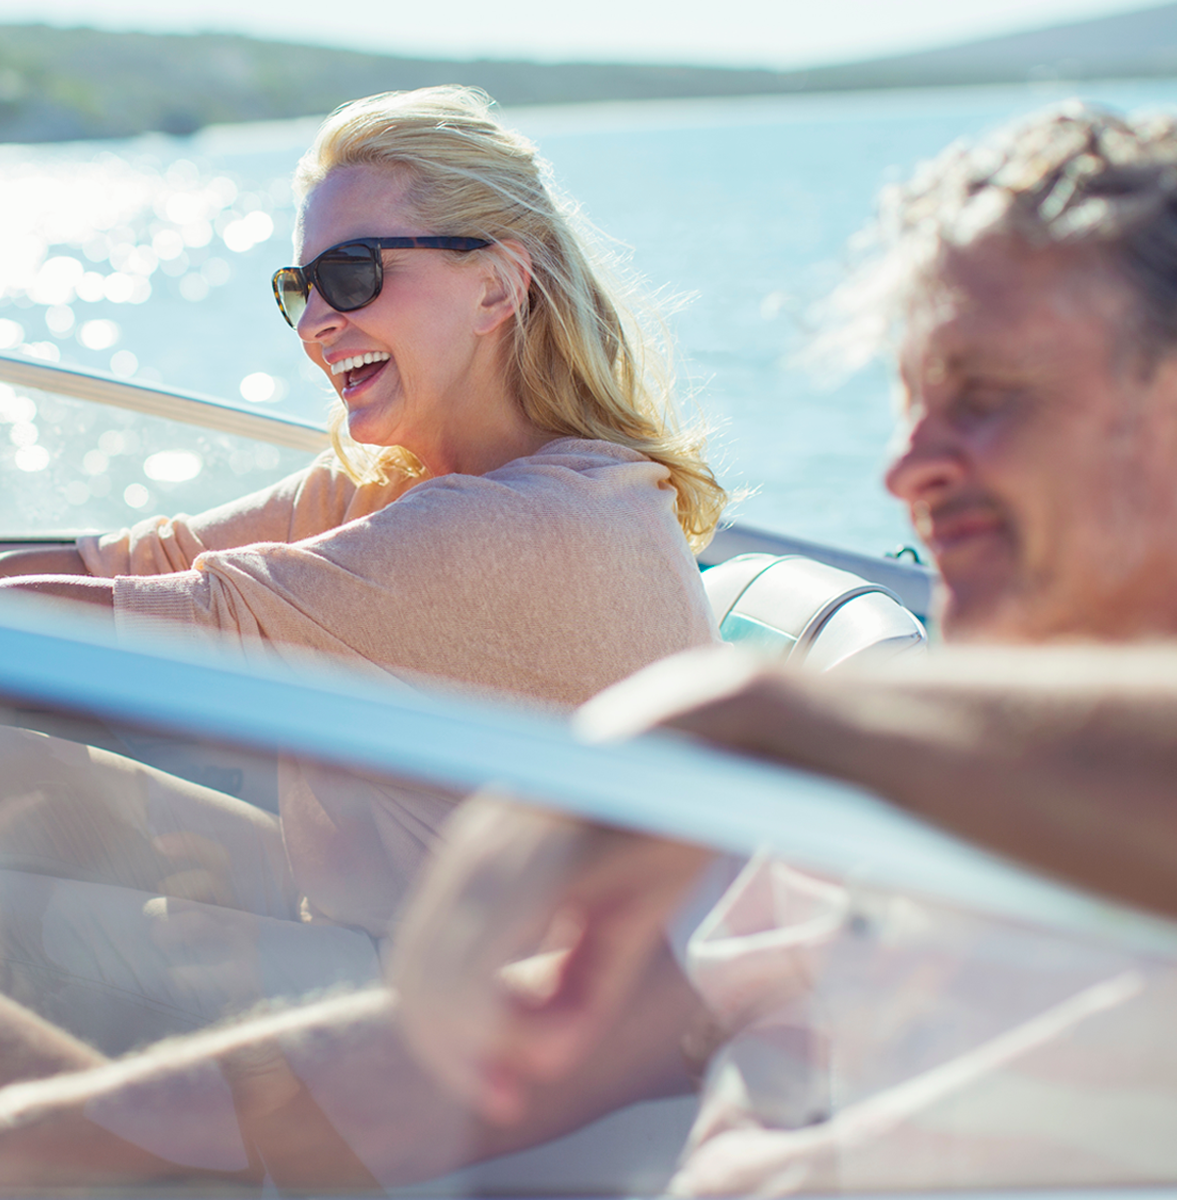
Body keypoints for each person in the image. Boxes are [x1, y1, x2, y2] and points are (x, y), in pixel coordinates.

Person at [5, 98, 1177, 1191]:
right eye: (914, 402)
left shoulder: (529, 525)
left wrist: (765, 718)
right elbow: (509, 1048)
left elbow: (153, 621)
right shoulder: (879, 832)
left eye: (988, 395)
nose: (903, 471)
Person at [0, 85, 723, 1054]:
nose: (312, 324)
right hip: (384, 928)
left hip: (493, 1034)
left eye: (352, 274)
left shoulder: (523, 525)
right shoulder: (401, 483)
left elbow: (118, 627)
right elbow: (129, 560)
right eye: (299, 289)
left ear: (496, 286)